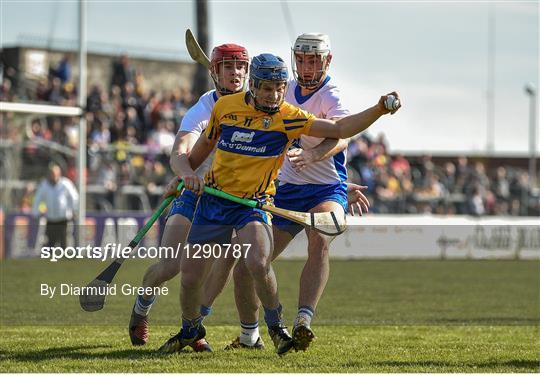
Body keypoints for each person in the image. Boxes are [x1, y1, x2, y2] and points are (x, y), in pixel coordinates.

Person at [158, 53, 401, 355]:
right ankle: (190, 328)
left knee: (259, 262)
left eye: (279, 88)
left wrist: (378, 109)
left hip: (253, 205)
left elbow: (339, 130)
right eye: (267, 88)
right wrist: (183, 175)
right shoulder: (224, 108)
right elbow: (195, 156)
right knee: (191, 277)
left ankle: (276, 326)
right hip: (215, 202)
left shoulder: (289, 116)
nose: (274, 95)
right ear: (254, 86)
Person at [223, 32, 363, 352]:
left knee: (320, 238)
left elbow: (342, 136)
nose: (307, 65)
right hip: (284, 191)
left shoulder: (331, 94)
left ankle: (303, 321)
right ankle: (249, 336)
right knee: (248, 263)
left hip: (325, 188)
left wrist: (313, 156)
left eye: (314, 59)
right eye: (301, 58)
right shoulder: (281, 90)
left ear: (327, 61)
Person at [128, 44, 250, 352]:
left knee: (220, 261)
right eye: (227, 67)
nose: (234, 73)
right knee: (170, 266)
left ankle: (194, 326)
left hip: (229, 200)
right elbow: (180, 151)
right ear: (215, 72)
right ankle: (142, 307)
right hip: (195, 194)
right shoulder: (203, 108)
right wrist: (186, 174)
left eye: (240, 67)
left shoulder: (257, 104)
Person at [32, 163, 78, 249]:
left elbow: (74, 197)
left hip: (63, 218)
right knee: (51, 242)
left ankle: (65, 258)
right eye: (52, 173)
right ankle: (52, 259)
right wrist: (36, 213)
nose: (54, 176)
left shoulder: (66, 184)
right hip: (50, 218)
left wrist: (73, 210)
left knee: (64, 241)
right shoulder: (44, 185)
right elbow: (37, 199)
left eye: (56, 173)